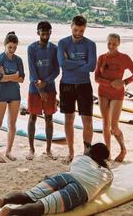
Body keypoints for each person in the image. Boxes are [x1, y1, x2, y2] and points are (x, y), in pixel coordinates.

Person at [0, 143, 113, 216]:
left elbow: (76, 166)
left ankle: (4, 200)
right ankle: (11, 212)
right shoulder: (107, 174)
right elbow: (107, 172)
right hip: (79, 190)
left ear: (91, 152)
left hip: (65, 177)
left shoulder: (80, 158)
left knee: (30, 195)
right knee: (42, 206)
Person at [94, 33, 133, 162]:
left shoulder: (124, 58)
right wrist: (110, 83)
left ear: (118, 44)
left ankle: (123, 149)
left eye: (114, 44)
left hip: (117, 94)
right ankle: (107, 154)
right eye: (109, 43)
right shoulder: (102, 58)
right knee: (105, 124)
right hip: (103, 93)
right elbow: (96, 78)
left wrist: (124, 82)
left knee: (114, 126)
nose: (111, 46)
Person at [57, 15, 97, 163]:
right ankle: (71, 152)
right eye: (76, 30)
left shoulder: (90, 44)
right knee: (69, 119)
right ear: (71, 26)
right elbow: (63, 64)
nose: (78, 33)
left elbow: (92, 67)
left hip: (84, 85)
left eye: (81, 30)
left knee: (87, 119)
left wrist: (72, 62)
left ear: (85, 28)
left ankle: (87, 153)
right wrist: (81, 62)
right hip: (66, 84)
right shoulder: (63, 43)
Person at [26, 21, 60, 161]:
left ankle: (48, 149)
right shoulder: (31, 48)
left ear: (51, 32)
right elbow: (32, 71)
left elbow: (57, 70)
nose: (45, 36)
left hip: (50, 87)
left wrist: (45, 82)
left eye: (47, 33)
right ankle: (31, 149)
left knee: (49, 118)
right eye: (42, 33)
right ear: (38, 32)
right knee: (32, 117)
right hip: (35, 89)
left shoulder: (54, 49)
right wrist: (40, 88)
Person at [0, 31, 25, 163]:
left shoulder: (18, 60)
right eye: (10, 47)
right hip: (1, 94)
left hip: (15, 95)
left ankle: (9, 151)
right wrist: (14, 76)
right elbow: (0, 79)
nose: (12, 50)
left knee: (12, 124)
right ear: (5, 45)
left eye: (14, 47)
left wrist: (8, 76)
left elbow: (22, 79)